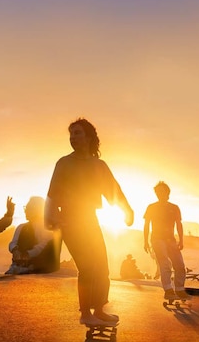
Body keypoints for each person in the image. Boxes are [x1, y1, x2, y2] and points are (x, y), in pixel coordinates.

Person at [45, 117, 134, 327]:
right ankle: (85, 313)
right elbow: (52, 194)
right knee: (87, 266)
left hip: (90, 219)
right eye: (71, 134)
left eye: (78, 133)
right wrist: (51, 216)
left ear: (89, 137)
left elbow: (114, 191)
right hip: (69, 219)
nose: (73, 138)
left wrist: (127, 211)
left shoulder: (99, 165)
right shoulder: (64, 163)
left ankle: (99, 309)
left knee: (101, 265)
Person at [143, 180, 189, 300]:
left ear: (167, 193)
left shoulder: (174, 208)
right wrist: (145, 241)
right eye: (157, 192)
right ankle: (168, 290)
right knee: (165, 264)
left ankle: (179, 289)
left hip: (171, 240)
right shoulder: (151, 207)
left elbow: (179, 224)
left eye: (161, 192)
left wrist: (181, 240)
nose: (159, 194)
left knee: (179, 264)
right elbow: (146, 225)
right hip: (157, 239)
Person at [6, 196, 61, 275]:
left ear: (36, 209)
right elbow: (13, 243)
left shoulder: (46, 227)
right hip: (19, 266)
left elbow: (44, 245)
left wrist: (28, 254)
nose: (25, 211)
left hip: (37, 267)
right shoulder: (21, 227)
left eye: (28, 208)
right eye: (26, 208)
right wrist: (15, 250)